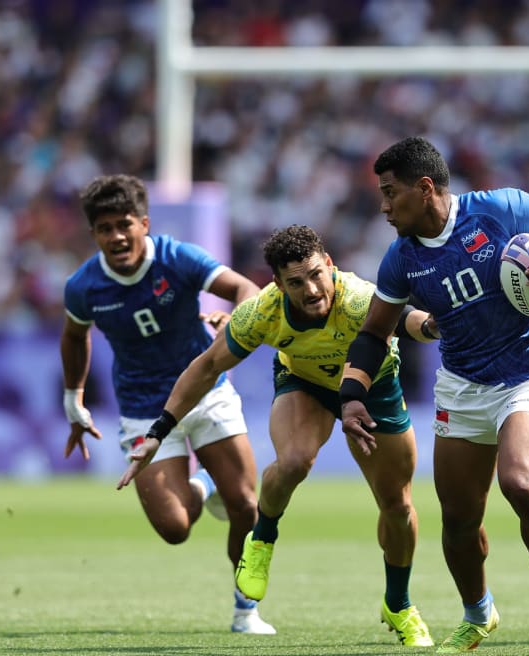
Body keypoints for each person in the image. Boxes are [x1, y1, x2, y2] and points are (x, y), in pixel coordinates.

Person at [116, 224, 438, 647]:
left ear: (330, 266)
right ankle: (262, 540)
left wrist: (435, 326)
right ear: (279, 285)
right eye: (296, 282)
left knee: (397, 507)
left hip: (372, 387)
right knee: (293, 461)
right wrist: (160, 430)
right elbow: (207, 366)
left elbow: (409, 321)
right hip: (304, 385)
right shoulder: (263, 312)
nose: (310, 289)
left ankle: (398, 604)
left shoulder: (358, 298)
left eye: (316, 275)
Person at [341, 136, 529, 653]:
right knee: (458, 519)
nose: (385, 207)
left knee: (520, 484)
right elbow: (373, 333)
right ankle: (478, 613)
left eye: (391, 194)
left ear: (425, 187)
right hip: (462, 385)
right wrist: (351, 395)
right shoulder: (400, 260)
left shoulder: (497, 210)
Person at [60, 174, 274, 634]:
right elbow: (74, 337)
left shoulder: (178, 258)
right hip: (143, 408)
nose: (116, 236)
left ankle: (245, 610)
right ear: (94, 234)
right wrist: (73, 398)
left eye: (124, 224)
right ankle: (202, 488)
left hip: (206, 391)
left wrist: (232, 324)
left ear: (144, 224)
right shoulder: (84, 286)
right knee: (175, 528)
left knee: (246, 505)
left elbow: (245, 290)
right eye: (104, 228)